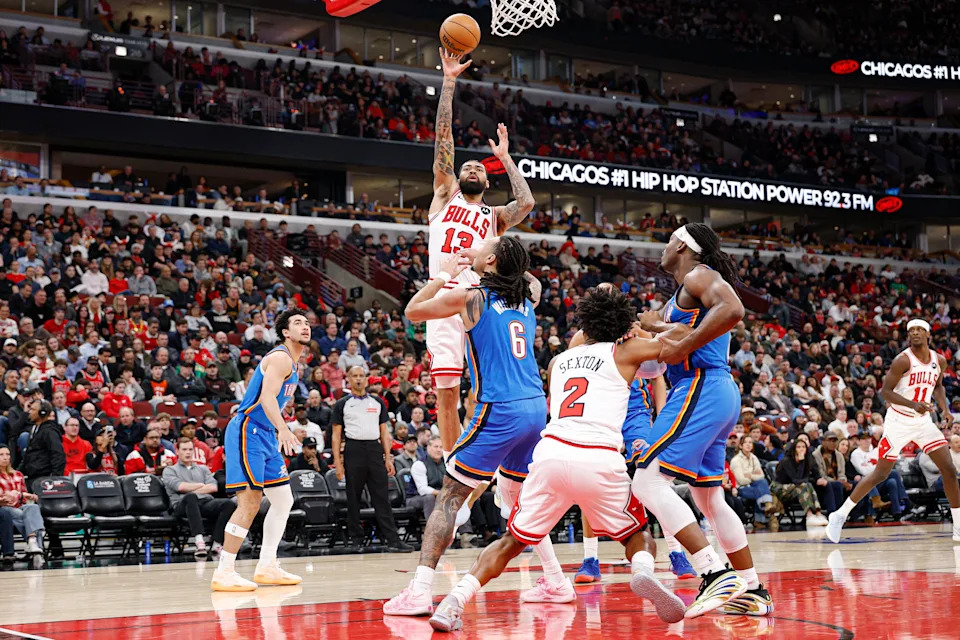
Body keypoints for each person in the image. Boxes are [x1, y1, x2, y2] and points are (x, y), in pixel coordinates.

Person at [428, 286, 687, 631]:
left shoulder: (558, 361)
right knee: (637, 536)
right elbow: (682, 341)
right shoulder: (628, 351)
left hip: (550, 453)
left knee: (511, 541)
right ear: (621, 325)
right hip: (598, 456)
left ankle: (453, 600)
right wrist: (648, 326)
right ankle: (641, 572)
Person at [384, 236, 565, 618]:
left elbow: (413, 312)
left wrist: (445, 274)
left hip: (500, 408)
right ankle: (555, 579)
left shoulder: (472, 297)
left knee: (450, 495)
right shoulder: (525, 297)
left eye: (487, 248)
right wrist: (495, 262)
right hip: (536, 407)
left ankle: (419, 592)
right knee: (516, 497)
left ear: (493, 261)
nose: (479, 249)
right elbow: (531, 281)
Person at [634, 223, 770, 617]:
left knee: (646, 478)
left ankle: (713, 574)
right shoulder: (681, 295)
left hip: (701, 386)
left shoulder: (699, 274)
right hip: (715, 389)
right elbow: (671, 342)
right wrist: (655, 331)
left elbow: (734, 309)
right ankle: (751, 588)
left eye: (666, 242)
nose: (662, 249)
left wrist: (678, 341)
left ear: (680, 244)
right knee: (709, 498)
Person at [425, 48, 534, 459]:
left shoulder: (494, 216)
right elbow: (444, 140)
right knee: (447, 391)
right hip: (444, 297)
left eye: (479, 170)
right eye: (467, 167)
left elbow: (525, 204)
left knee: (486, 389)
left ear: (487, 183)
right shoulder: (444, 194)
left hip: (483, 300)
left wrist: (505, 159)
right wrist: (449, 81)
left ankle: (483, 453)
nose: (471, 170)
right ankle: (454, 464)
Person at [827, 319, 959, 543]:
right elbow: (885, 392)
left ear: (928, 334)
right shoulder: (902, 360)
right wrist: (912, 404)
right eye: (911, 331)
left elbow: (937, 386)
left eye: (919, 330)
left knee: (948, 468)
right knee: (881, 474)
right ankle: (839, 514)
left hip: (923, 421)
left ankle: (958, 525)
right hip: (898, 421)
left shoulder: (939, 360)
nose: (915, 333)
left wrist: (945, 409)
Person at [573, 360, 697, 583]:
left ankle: (676, 553)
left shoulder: (638, 337)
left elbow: (658, 376)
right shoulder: (588, 339)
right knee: (589, 485)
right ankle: (590, 559)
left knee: (655, 481)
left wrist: (662, 419)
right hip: (600, 416)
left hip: (635, 416)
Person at [211, 309, 309, 592]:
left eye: (306, 323)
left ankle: (267, 565)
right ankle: (224, 571)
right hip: (248, 430)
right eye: (297, 323)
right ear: (285, 333)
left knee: (283, 500)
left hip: (265, 433)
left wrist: (278, 426)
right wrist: (284, 428)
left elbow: (275, 402)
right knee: (250, 502)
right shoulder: (279, 358)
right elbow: (266, 397)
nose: (305, 327)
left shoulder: (293, 363)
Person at [331, 367, 411, 551]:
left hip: (374, 449)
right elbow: (336, 436)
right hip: (353, 449)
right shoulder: (342, 404)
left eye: (361, 376)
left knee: (381, 497)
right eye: (354, 376)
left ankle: (393, 540)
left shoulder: (377, 402)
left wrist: (388, 458)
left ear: (367, 379)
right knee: (353, 497)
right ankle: (356, 540)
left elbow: (384, 432)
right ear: (348, 380)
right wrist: (338, 462)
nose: (358, 379)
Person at [163, 437, 237, 559]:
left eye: (190, 450)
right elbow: (180, 487)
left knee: (228, 504)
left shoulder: (203, 469)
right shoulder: (170, 470)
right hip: (181, 505)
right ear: (177, 451)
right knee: (190, 497)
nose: (188, 452)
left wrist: (191, 487)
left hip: (205, 502)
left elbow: (213, 487)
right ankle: (199, 542)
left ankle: (217, 543)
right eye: (184, 449)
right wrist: (201, 485)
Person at [0, 445, 45, 556]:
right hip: (4, 509)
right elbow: (4, 499)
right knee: (24, 515)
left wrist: (18, 495)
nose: (5, 457)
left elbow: (23, 499)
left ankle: (32, 542)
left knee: (33, 507)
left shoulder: (18, 475)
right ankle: (36, 540)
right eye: (1, 455)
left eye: (8, 454)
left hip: (19, 506)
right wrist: (19, 495)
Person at [729, 435, 780, 531]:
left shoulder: (754, 458)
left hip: (753, 486)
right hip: (740, 488)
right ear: (740, 446)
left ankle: (762, 516)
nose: (748, 445)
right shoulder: (736, 460)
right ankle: (765, 512)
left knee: (762, 482)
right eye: (746, 443)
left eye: (750, 442)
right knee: (761, 491)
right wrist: (753, 476)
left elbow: (761, 475)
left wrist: (749, 475)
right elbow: (741, 480)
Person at [18, 400, 65, 483]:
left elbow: (58, 455)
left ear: (42, 413)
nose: (29, 412)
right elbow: (28, 456)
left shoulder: (50, 431)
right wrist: (17, 474)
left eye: (32, 409)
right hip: (33, 477)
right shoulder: (35, 429)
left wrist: (55, 479)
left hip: (44, 480)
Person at [407, 436, 445, 521]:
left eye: (441, 447)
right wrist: (441, 493)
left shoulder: (446, 464)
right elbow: (422, 489)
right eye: (436, 447)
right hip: (415, 497)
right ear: (428, 448)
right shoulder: (419, 464)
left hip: (439, 494)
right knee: (430, 497)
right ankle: (433, 531)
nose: (439, 450)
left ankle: (465, 532)